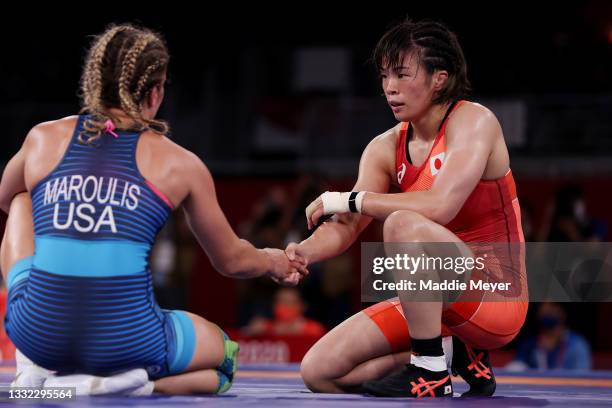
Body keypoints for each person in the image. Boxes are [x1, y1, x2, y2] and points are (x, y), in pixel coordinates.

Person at [0, 24, 306, 396]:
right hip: (125, 342)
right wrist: (273, 261)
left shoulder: (42, 138)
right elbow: (232, 262)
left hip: (35, 334)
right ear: (157, 91)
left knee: (21, 196)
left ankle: (33, 368)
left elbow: (7, 199)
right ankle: (128, 385)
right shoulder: (179, 163)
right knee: (224, 360)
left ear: (93, 81)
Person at [286, 18, 528, 398]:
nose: (389, 88)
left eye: (401, 75)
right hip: (429, 297)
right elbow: (347, 226)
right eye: (384, 77)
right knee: (318, 371)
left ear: (440, 79)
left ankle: (431, 369)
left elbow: (442, 205)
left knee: (402, 224)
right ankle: (445, 353)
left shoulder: (474, 122)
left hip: (495, 295)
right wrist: (302, 253)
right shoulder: (384, 147)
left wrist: (351, 198)